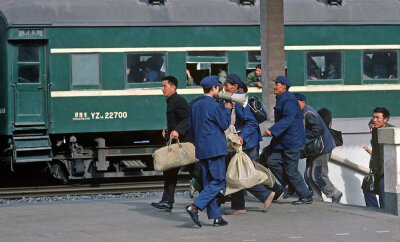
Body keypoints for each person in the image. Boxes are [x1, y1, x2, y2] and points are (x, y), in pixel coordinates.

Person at [222, 74, 275, 215]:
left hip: (247, 143)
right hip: (245, 142)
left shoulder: (240, 100)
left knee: (242, 173)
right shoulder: (234, 99)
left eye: (227, 85)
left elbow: (251, 122)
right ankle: (238, 206)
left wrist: (241, 136)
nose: (224, 87)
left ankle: (266, 194)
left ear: (235, 87)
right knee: (238, 172)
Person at [186, 76, 232, 227]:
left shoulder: (195, 106)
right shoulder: (214, 105)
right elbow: (225, 125)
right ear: (213, 88)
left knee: (208, 183)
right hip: (215, 149)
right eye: (219, 88)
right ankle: (194, 207)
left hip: (202, 149)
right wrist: (227, 109)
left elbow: (191, 129)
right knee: (218, 181)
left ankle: (216, 217)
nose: (220, 90)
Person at [263, 76, 313, 205]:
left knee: (291, 170)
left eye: (277, 84)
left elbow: (288, 119)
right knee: (271, 160)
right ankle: (290, 185)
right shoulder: (283, 98)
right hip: (283, 141)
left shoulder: (289, 100)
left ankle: (305, 195)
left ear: (283, 86)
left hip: (292, 142)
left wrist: (272, 130)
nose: (274, 86)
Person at [151, 76, 193, 212]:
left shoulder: (178, 100)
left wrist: (177, 131)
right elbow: (177, 119)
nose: (162, 89)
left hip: (184, 144)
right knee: (169, 172)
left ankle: (216, 196)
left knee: (197, 173)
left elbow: (188, 118)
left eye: (165, 86)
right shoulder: (171, 101)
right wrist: (168, 129)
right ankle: (167, 201)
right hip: (176, 143)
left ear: (173, 87)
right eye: (162, 86)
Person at [293, 93, 343, 203]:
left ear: (303, 102)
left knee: (317, 174)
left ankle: (335, 193)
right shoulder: (302, 112)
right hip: (314, 149)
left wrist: (303, 139)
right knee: (308, 174)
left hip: (322, 148)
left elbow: (317, 130)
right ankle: (316, 196)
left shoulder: (308, 112)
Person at [363, 107, 394, 208]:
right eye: (373, 117)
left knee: (382, 187)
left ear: (385, 119)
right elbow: (376, 152)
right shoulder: (375, 131)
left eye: (377, 117)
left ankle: (385, 213)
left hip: (389, 169)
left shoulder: (392, 131)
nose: (374, 120)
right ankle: (373, 211)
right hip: (377, 169)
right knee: (367, 186)